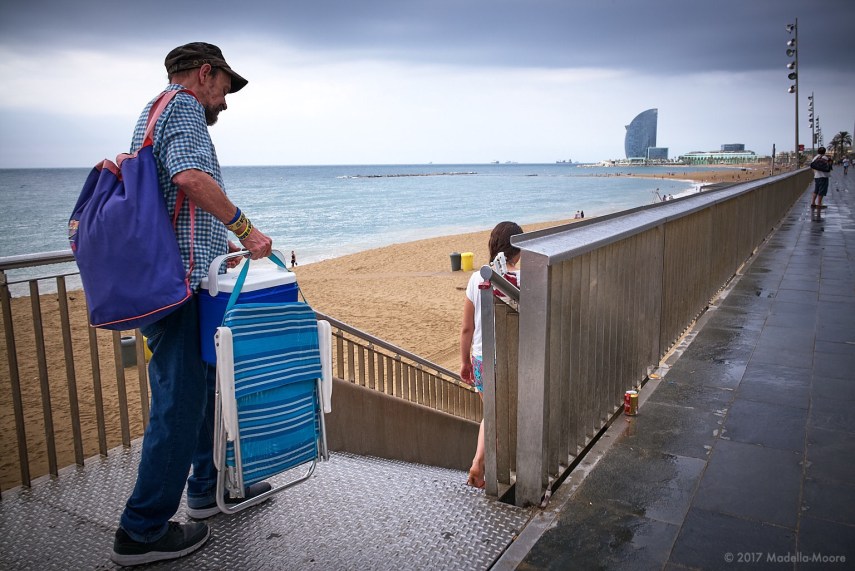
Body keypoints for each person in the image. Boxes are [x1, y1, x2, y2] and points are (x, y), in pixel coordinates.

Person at [110, 43, 275, 567]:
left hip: (181, 278)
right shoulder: (183, 106)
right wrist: (245, 231)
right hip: (177, 289)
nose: (225, 101)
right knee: (179, 405)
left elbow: (171, 198)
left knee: (204, 389)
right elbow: (187, 178)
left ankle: (207, 489)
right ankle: (141, 530)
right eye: (226, 87)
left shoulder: (155, 109)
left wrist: (213, 239)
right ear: (206, 74)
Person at [459, 221, 523, 489]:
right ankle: (490, 468)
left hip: (481, 359)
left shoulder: (477, 278)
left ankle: (482, 465)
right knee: (505, 417)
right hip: (510, 359)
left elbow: (466, 328)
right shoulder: (521, 280)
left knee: (491, 414)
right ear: (518, 248)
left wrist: (464, 362)